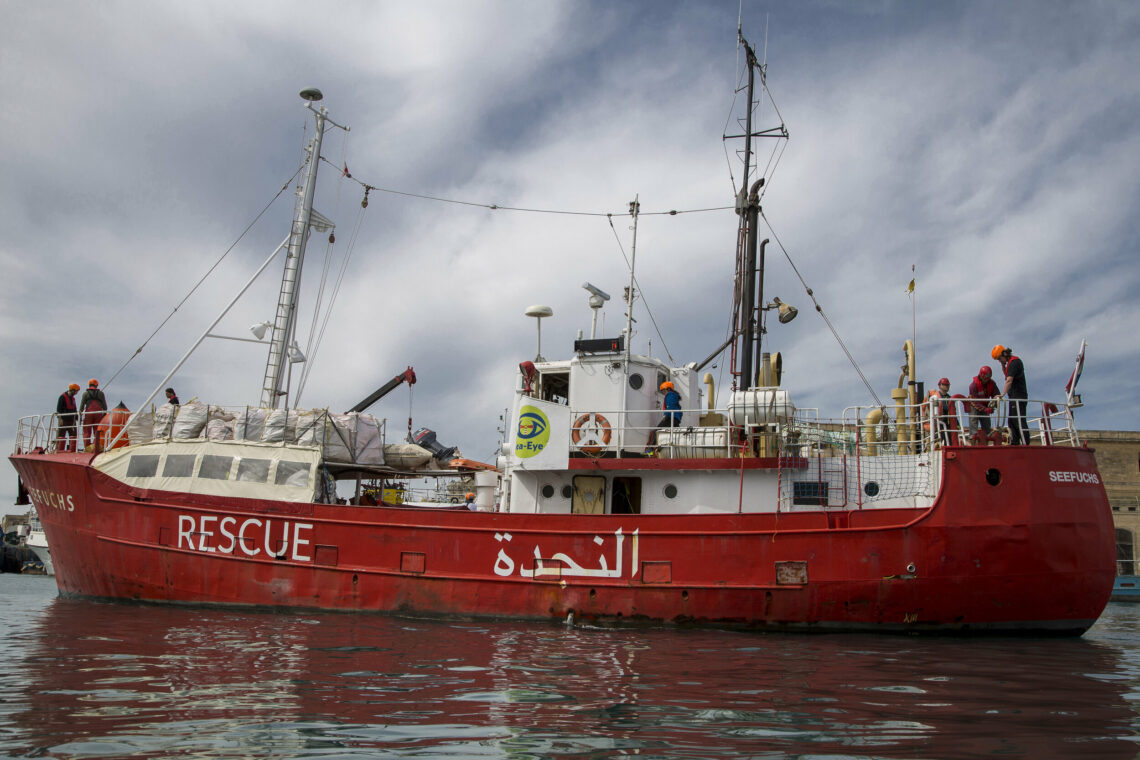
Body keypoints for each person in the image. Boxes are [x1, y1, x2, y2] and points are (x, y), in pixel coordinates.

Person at [993, 344, 1029, 445]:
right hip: (1014, 396)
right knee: (1012, 421)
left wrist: (1002, 394)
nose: (1000, 361)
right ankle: (1015, 442)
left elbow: (1009, 380)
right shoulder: (1010, 363)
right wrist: (1003, 365)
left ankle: (1025, 442)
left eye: (1000, 359)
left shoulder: (1014, 362)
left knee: (1018, 420)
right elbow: (1006, 374)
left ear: (1004, 354)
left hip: (1018, 396)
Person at [647, 381, 682, 450]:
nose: (663, 393)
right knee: (672, 434)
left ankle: (650, 450)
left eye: (663, 391)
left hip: (670, 417)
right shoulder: (674, 395)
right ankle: (669, 450)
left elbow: (670, 405)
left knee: (656, 431)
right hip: (675, 419)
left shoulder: (670, 394)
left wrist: (665, 415)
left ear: (668, 389)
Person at [968, 366, 1001, 439]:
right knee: (973, 426)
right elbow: (974, 401)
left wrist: (995, 403)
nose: (987, 380)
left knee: (987, 427)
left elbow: (996, 394)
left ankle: (987, 439)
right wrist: (985, 409)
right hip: (974, 406)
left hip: (985, 406)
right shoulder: (973, 386)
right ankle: (973, 440)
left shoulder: (992, 383)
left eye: (988, 378)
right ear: (981, 376)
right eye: (986, 378)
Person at [79, 379, 108, 449]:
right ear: (96, 385)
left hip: (88, 414)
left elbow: (82, 406)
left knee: (86, 431)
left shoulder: (85, 393)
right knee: (97, 431)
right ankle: (95, 447)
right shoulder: (101, 393)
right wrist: (104, 414)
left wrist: (80, 415)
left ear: (89, 385)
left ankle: (87, 447)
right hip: (98, 414)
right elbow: (105, 406)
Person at [55, 383, 80, 452]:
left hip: (72, 420)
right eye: (76, 391)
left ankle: (72, 450)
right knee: (61, 435)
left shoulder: (73, 399)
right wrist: (60, 419)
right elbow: (59, 409)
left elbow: (75, 409)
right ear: (72, 390)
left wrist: (77, 418)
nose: (76, 393)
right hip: (64, 419)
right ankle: (59, 449)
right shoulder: (62, 397)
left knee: (73, 435)